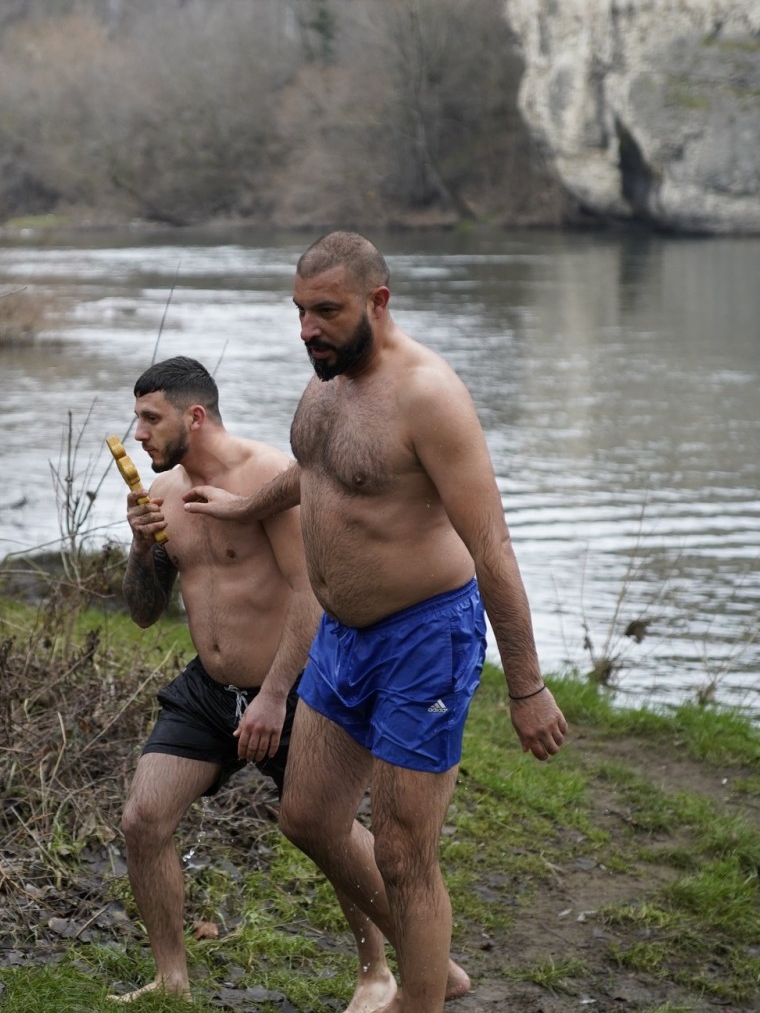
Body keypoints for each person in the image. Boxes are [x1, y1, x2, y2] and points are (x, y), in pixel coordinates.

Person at [182, 232, 570, 1013]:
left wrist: (526, 687)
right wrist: (244, 505)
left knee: (402, 853)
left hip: (425, 638)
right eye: (299, 310)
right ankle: (433, 970)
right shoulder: (324, 383)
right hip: (341, 635)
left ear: (378, 302)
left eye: (326, 311)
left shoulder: (428, 396)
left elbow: (492, 546)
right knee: (307, 816)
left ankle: (419, 996)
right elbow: (317, 471)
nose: (307, 329)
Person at [111, 355, 398, 1011]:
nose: (138, 434)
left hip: (292, 687)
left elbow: (310, 594)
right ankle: (172, 981)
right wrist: (141, 547)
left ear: (195, 416)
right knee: (142, 820)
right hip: (210, 689)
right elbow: (144, 613)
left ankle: (379, 972)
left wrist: (272, 696)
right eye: (136, 420)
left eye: (150, 418)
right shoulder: (160, 495)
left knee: (328, 832)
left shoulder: (269, 478)